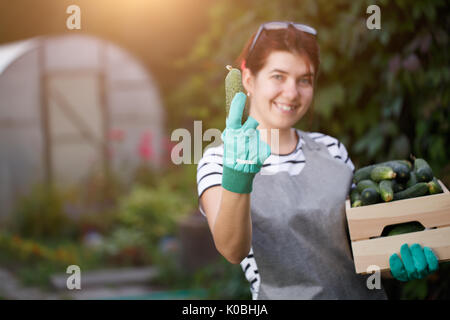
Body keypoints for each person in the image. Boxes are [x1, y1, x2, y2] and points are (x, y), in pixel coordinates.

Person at [196, 21, 439, 300]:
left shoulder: (331, 149)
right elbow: (231, 248)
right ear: (248, 80)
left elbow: (358, 251)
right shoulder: (217, 160)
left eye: (304, 80)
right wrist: (238, 175)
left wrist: (396, 260)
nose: (291, 92)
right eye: (278, 76)